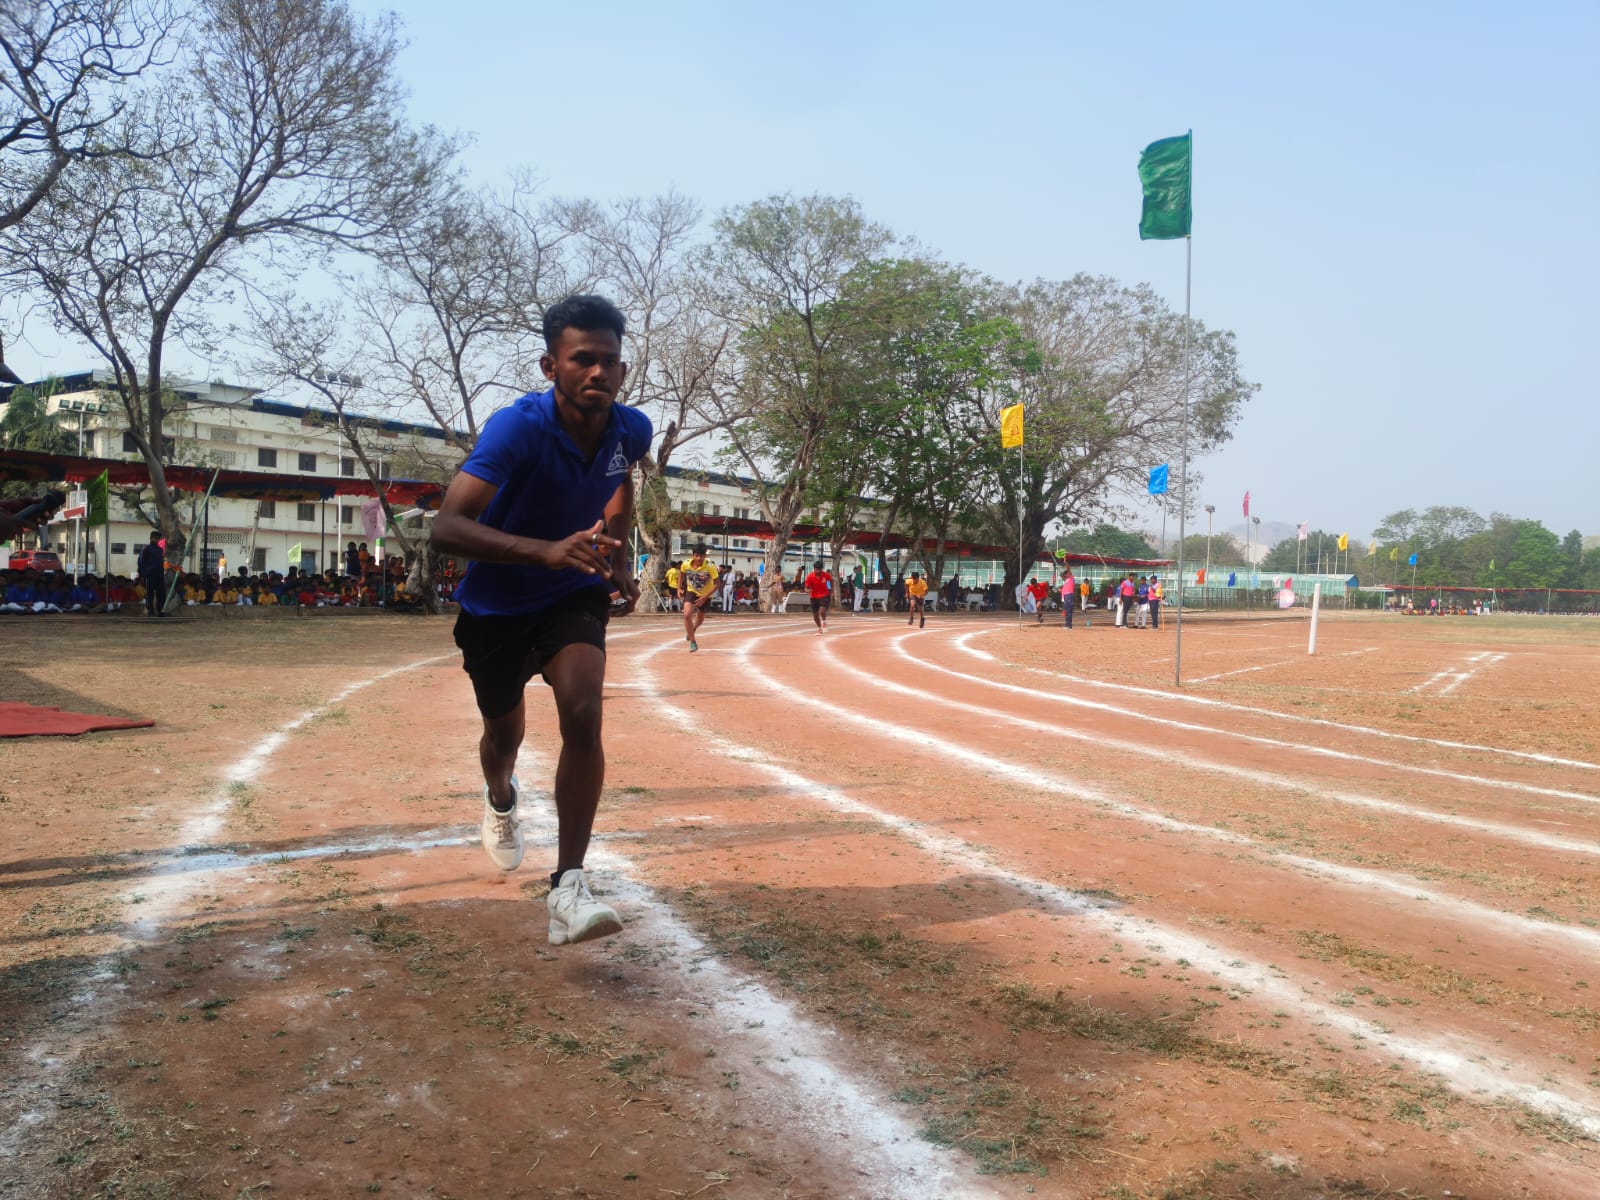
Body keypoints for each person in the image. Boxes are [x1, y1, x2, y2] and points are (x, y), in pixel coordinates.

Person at [429, 294, 650, 947]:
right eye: (582, 359)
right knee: (503, 738)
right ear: (551, 366)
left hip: (571, 591)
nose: (598, 372)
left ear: (622, 368)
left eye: (610, 360)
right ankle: (500, 797)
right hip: (495, 604)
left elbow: (621, 479)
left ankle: (568, 886)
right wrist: (544, 550)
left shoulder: (630, 430)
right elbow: (447, 527)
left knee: (583, 712)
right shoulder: (517, 429)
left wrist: (616, 555)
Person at [679, 543, 718, 651]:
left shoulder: (710, 566)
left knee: (700, 618)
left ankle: (694, 628)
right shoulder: (686, 564)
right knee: (687, 615)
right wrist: (679, 588)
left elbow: (717, 583)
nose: (699, 558)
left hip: (706, 594)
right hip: (691, 591)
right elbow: (681, 573)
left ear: (705, 555)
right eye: (696, 555)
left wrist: (705, 596)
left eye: (701, 556)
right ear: (693, 555)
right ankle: (693, 641)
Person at [138, 532, 167, 618]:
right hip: (150, 575)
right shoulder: (146, 549)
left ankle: (160, 610)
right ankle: (150, 611)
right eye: (155, 538)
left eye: (158, 538)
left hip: (159, 574)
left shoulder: (160, 550)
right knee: (149, 594)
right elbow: (141, 561)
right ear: (151, 538)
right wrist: (142, 574)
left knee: (161, 594)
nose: (156, 540)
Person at [803, 558, 833, 634]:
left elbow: (829, 584)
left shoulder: (826, 576)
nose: (818, 571)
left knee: (822, 611)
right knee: (815, 615)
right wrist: (807, 590)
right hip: (814, 596)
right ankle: (819, 628)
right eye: (816, 569)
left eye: (819, 569)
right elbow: (806, 587)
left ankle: (824, 621)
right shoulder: (810, 577)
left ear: (822, 569)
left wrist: (830, 592)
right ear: (814, 569)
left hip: (824, 595)